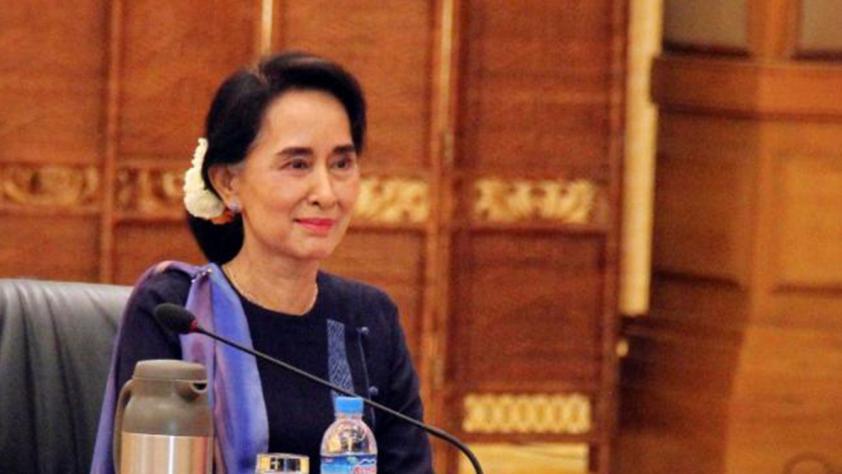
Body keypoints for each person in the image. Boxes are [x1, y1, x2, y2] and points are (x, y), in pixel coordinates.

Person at [91, 51, 433, 474]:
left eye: (341, 163)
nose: (326, 192)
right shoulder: (178, 312)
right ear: (228, 182)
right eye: (297, 164)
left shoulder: (369, 317)